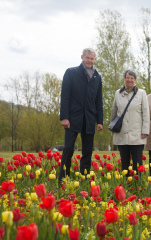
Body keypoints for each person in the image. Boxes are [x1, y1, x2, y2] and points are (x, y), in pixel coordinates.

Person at [59, 48, 103, 184]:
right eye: (87, 58)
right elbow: (65, 96)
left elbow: (98, 100)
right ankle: (63, 180)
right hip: (73, 118)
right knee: (68, 148)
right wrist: (64, 117)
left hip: (89, 118)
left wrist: (99, 121)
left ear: (95, 59)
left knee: (87, 151)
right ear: (82, 57)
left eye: (92, 58)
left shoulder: (97, 76)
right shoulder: (71, 73)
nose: (89, 61)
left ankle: (84, 180)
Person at [111, 70, 150, 173]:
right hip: (122, 133)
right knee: (124, 164)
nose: (129, 80)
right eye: (127, 78)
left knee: (138, 164)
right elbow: (114, 112)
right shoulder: (117, 93)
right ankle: (126, 187)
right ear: (124, 79)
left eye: (132, 78)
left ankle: (138, 186)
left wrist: (145, 131)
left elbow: (146, 113)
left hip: (137, 134)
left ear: (135, 80)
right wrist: (113, 130)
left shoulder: (141, 93)